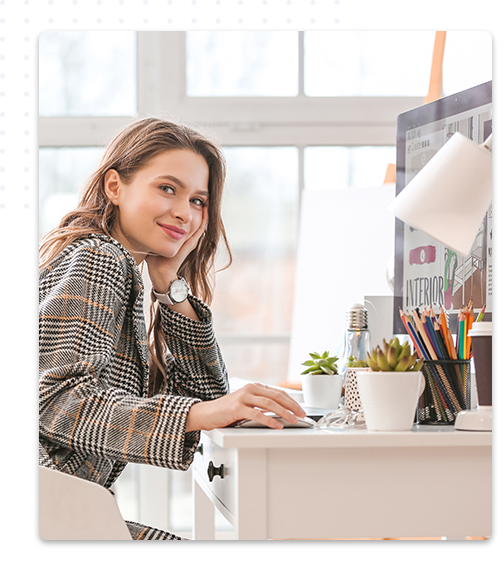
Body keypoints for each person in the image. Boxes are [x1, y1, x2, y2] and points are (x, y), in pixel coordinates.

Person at [39, 117, 306, 540]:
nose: (185, 211)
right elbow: (56, 403)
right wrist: (202, 413)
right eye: (167, 188)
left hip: (65, 507)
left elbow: (207, 398)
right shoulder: (99, 258)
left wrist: (171, 288)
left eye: (199, 200)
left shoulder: (122, 266)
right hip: (55, 511)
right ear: (114, 186)